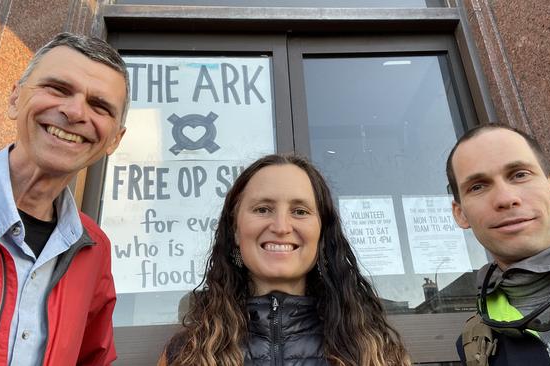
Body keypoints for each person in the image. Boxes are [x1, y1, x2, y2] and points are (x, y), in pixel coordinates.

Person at [0, 33, 129, 365]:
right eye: (58, 89)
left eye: (100, 106)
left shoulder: (94, 249)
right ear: (15, 98)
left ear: (114, 141)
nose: (76, 111)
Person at [160, 154, 410, 366]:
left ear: (322, 232)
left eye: (300, 211)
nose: (281, 227)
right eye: (262, 209)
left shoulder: (376, 353)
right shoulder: (185, 355)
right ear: (235, 230)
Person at [446, 124, 550, 365]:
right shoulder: (474, 346)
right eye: (477, 186)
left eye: (520, 175)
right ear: (460, 214)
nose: (505, 199)